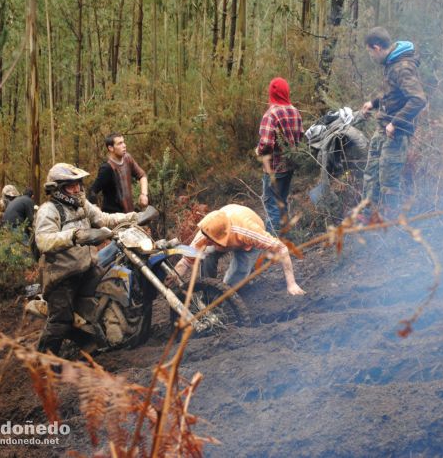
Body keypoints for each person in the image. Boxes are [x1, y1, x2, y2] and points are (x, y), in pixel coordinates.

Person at [34, 163, 151, 356]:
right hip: (62, 275)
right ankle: (43, 362)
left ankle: (110, 333)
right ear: (57, 189)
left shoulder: (81, 204)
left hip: (88, 266)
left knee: (113, 287)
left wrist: (135, 216)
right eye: (71, 186)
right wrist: (75, 235)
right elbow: (43, 240)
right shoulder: (49, 210)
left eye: (78, 184)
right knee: (60, 320)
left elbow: (104, 219)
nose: (77, 189)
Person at [360, 27, 427, 216]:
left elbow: (418, 99)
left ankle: (390, 227)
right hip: (382, 128)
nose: (371, 57)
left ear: (377, 48)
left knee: (389, 183)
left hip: (395, 132)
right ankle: (366, 218)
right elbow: (392, 93)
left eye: (370, 52)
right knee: (371, 175)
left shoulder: (403, 67)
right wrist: (373, 103)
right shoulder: (391, 63)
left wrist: (395, 123)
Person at [171, 204, 306, 296]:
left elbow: (282, 248)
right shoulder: (205, 233)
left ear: (224, 235)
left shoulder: (248, 231)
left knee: (234, 280)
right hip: (227, 224)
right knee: (206, 256)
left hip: (246, 243)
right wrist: (174, 276)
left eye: (212, 240)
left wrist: (292, 284)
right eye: (208, 239)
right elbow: (186, 262)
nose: (207, 242)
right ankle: (209, 296)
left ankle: (226, 298)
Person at [255, 77, 303, 235]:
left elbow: (267, 144)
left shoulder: (271, 114)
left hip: (274, 168)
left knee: (272, 206)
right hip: (289, 167)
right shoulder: (295, 112)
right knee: (282, 202)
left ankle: (275, 245)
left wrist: (258, 150)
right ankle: (286, 239)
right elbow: (301, 137)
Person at [87, 132, 149, 213]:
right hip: (113, 218)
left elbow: (142, 175)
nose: (124, 145)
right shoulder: (107, 168)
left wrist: (143, 194)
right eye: (120, 143)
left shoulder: (127, 158)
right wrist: (95, 210)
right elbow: (92, 191)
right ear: (111, 148)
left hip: (129, 215)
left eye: (123, 142)